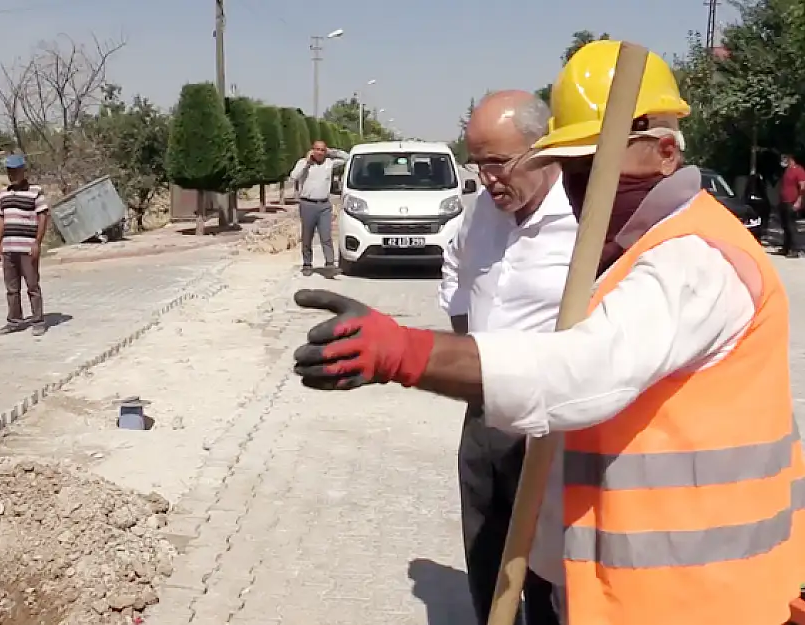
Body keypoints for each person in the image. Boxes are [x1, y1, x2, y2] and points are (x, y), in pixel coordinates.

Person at [293, 40, 805, 625]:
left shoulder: (694, 258)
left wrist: (407, 351)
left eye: (594, 169)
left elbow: (581, 371)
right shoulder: (629, 244)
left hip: (695, 595)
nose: (582, 189)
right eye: (574, 171)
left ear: (664, 151)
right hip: (614, 577)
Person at [442, 90, 571, 625]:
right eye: (477, 163)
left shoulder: (586, 221)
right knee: (485, 544)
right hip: (484, 411)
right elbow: (453, 263)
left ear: (543, 150)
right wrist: (466, 338)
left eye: (498, 162)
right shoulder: (481, 216)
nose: (487, 177)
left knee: (545, 565)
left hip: (549, 421)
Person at [0, 154, 50, 336]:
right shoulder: (3, 194)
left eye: (16, 172)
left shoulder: (35, 192)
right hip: (9, 249)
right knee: (12, 289)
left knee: (32, 286)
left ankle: (38, 321)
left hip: (27, 248)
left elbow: (43, 217)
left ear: (23, 171)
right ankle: (14, 321)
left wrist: (37, 243)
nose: (13, 175)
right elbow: (0, 219)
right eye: (10, 172)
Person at [289, 140, 347, 277]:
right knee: (307, 236)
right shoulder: (303, 163)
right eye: (317, 149)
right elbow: (293, 176)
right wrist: (307, 163)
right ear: (312, 150)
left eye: (322, 150)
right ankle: (307, 264)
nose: (320, 152)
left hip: (324, 205)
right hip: (307, 204)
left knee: (326, 236)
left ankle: (330, 265)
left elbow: (347, 157)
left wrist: (332, 152)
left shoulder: (329, 163)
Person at [778, 152, 804, 258]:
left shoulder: (799, 170)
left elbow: (803, 187)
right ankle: (786, 247)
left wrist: (799, 202)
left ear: (791, 159)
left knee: (791, 226)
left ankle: (794, 250)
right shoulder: (787, 170)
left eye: (785, 159)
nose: (783, 161)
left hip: (792, 201)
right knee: (784, 226)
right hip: (783, 201)